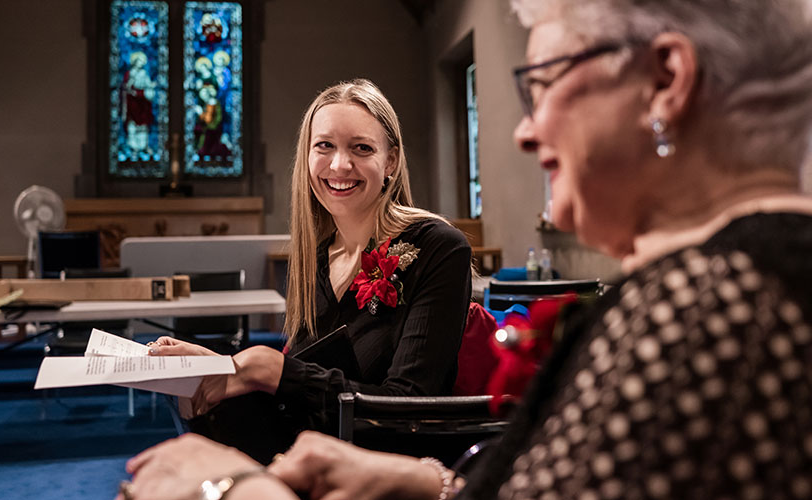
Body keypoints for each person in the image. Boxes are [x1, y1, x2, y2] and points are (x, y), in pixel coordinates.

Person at [119, 0, 812, 498]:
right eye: (323, 147)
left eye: (542, 83)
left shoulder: (710, 308)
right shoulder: (728, 283)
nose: (525, 133)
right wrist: (431, 484)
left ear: (665, 82)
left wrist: (224, 486)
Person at [148, 78, 473, 463]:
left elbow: (411, 407)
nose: (339, 164)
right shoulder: (316, 257)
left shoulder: (438, 247)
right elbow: (305, 389)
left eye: (361, 148)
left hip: (386, 469)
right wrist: (217, 366)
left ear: (390, 161)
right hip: (313, 456)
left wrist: (272, 369)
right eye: (325, 146)